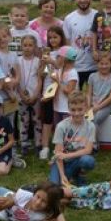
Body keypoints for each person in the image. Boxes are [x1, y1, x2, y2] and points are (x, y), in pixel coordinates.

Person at [49, 91, 96, 186]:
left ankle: (80, 174)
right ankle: (68, 176)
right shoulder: (61, 126)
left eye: (80, 109)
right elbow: (58, 154)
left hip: (77, 160)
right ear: (68, 109)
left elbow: (88, 150)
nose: (76, 113)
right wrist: (62, 175)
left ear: (86, 108)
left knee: (88, 161)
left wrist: (67, 156)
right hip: (61, 163)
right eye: (73, 110)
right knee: (54, 187)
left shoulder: (91, 126)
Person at [37, 26, 67, 160]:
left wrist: (52, 61)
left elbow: (61, 66)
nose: (52, 40)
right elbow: (40, 74)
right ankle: (45, 147)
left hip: (61, 89)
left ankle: (63, 145)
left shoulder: (64, 51)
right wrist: (44, 63)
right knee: (47, 118)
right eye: (50, 38)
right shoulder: (46, 53)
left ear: (61, 37)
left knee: (62, 118)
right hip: (48, 89)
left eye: (55, 37)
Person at [62, 0, 98, 88]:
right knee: (75, 96)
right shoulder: (69, 19)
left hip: (95, 66)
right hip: (76, 67)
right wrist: (68, 66)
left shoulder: (98, 16)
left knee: (94, 96)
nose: (83, 0)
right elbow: (67, 44)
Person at [11, 34, 41, 155]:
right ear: (21, 46)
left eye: (30, 45)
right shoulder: (17, 61)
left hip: (35, 96)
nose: (27, 48)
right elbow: (16, 80)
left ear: (35, 47)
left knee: (37, 120)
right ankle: (24, 143)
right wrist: (22, 95)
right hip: (21, 96)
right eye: (25, 45)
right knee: (23, 121)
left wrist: (35, 95)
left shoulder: (38, 61)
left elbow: (40, 80)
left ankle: (38, 143)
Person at [87, 51, 111, 143]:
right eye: (101, 64)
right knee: (88, 119)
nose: (104, 66)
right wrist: (89, 106)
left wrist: (97, 107)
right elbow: (89, 93)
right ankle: (86, 142)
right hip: (92, 105)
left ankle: (94, 144)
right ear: (97, 64)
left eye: (106, 64)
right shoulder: (92, 76)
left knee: (95, 119)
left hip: (105, 106)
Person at [50, 46, 80, 126]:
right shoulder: (60, 70)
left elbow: (69, 91)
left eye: (58, 56)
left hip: (67, 109)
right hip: (57, 107)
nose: (56, 58)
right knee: (59, 129)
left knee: (67, 130)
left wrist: (57, 81)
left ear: (64, 59)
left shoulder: (72, 73)